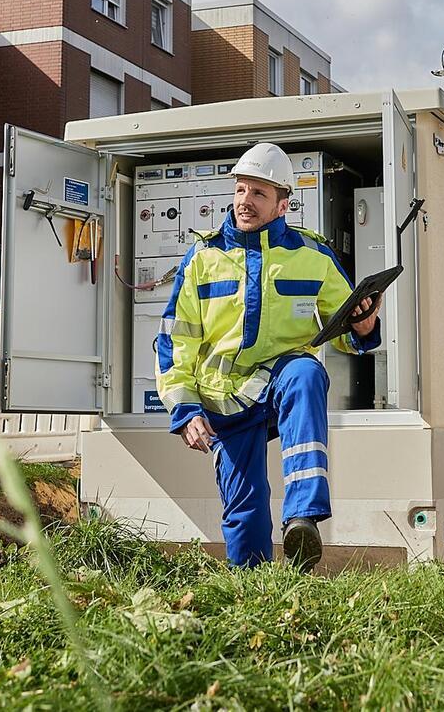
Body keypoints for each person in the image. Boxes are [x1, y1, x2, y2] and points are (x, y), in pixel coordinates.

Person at [155, 143, 382, 570]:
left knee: (305, 372)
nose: (245, 201)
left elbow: (343, 331)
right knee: (246, 512)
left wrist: (364, 327)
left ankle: (302, 518)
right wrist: (185, 410)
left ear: (282, 205)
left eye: (258, 193)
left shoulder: (314, 256)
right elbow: (173, 342)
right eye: (241, 189)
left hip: (280, 386)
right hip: (225, 402)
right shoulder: (203, 259)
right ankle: (253, 592)